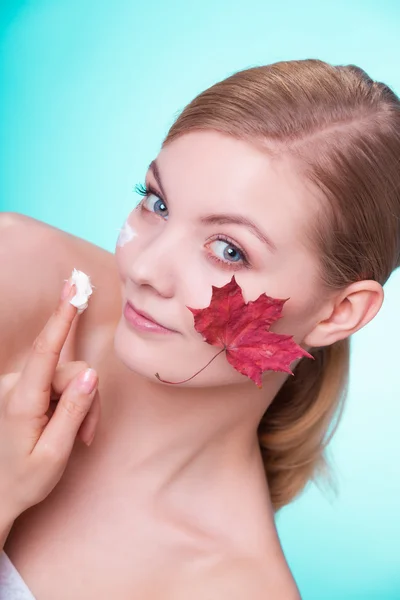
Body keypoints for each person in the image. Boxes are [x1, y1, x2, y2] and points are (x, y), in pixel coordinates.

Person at [1, 58, 399, 600]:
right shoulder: (17, 272)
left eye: (229, 251)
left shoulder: (234, 587)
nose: (144, 270)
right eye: (157, 203)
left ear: (340, 313)